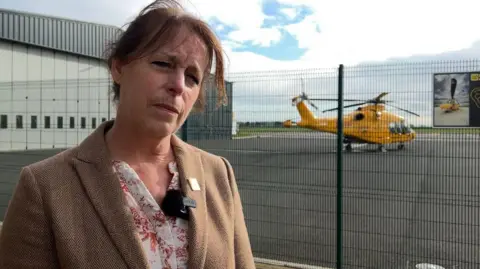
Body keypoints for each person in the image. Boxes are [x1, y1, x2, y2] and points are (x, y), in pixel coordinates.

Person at [0, 1, 256, 268]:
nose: (179, 86)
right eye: (163, 63)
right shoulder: (45, 187)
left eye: (192, 77)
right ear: (119, 68)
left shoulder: (218, 174)